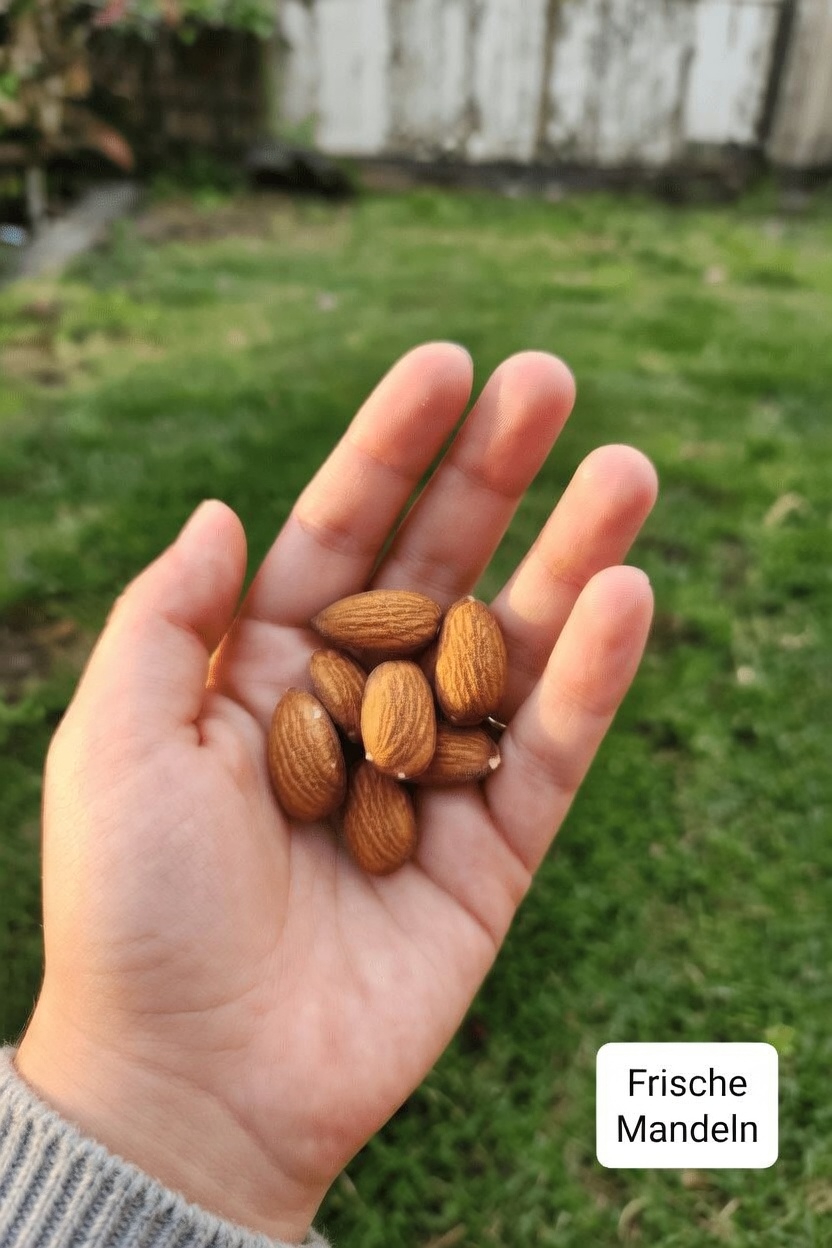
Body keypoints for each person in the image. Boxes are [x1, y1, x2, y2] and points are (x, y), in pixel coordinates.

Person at [0, 344, 657, 1247]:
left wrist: (142, 1107)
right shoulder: (361, 722)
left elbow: (426, 720)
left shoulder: (405, 715)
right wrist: (147, 1088)